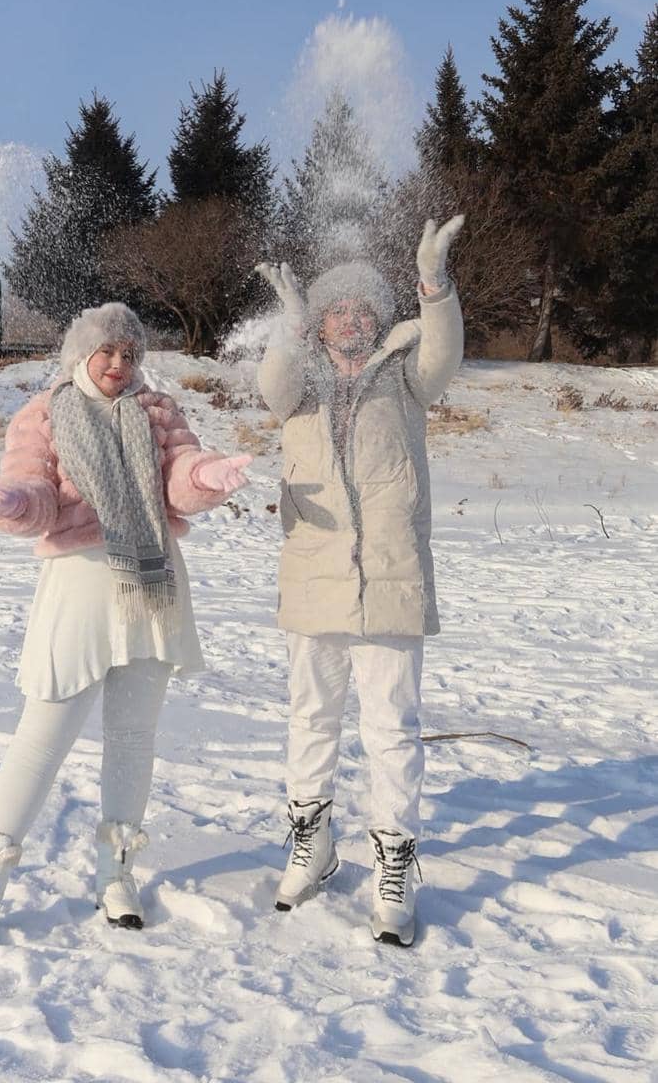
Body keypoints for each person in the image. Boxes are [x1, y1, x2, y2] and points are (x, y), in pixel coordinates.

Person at [0, 302, 251, 951]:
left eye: (131, 354)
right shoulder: (45, 415)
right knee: (40, 738)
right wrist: (9, 503)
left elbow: (180, 477)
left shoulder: (158, 412)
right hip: (79, 589)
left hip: (149, 587)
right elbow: (35, 491)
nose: (119, 363)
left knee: (133, 736)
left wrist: (210, 477)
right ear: (80, 355)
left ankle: (116, 872)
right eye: (107, 351)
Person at [255, 216, 464, 946]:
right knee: (311, 720)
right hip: (313, 579)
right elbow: (271, 387)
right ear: (319, 324)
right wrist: (286, 324)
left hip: (390, 580)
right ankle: (311, 845)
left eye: (362, 309)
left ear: (378, 320)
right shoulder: (301, 382)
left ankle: (394, 863)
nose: (350, 319)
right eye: (335, 309)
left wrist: (433, 284)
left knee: (391, 732)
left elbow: (443, 353)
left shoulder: (405, 374)